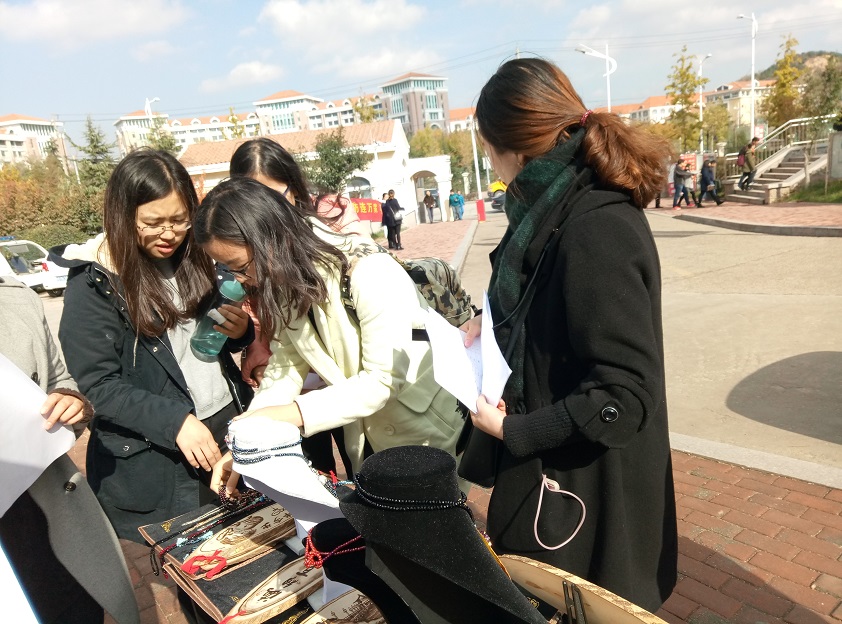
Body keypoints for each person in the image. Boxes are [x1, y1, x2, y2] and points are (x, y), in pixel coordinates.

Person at [464, 58, 677, 612]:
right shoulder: (550, 207)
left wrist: (513, 430)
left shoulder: (595, 226)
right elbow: (552, 300)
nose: (491, 163)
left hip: (589, 489)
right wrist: (493, 322)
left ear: (513, 149)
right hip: (558, 477)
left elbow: (624, 396)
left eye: (488, 149)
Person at [193, 177, 463, 491]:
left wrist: (288, 415)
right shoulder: (284, 278)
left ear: (269, 240)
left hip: (422, 431)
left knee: (437, 518)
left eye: (239, 266)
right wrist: (249, 438)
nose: (238, 280)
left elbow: (383, 381)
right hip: (368, 433)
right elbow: (286, 362)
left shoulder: (368, 270)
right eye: (227, 269)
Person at [51, 148, 254, 542]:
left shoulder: (197, 255)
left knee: (250, 543)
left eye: (179, 219)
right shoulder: (96, 280)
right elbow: (99, 385)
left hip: (224, 422)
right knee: (196, 558)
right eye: (153, 222)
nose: (169, 233)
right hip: (164, 447)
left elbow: (209, 339)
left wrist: (240, 331)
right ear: (123, 215)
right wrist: (175, 421)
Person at [0, 274, 140, 624]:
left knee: (76, 609)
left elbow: (59, 379)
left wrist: (71, 402)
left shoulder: (17, 299)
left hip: (45, 513)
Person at [228, 137, 361, 475]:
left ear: (295, 188)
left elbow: (380, 381)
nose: (264, 209)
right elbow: (283, 342)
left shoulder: (341, 243)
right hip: (294, 377)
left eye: (274, 196)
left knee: (363, 462)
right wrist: (258, 346)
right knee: (315, 474)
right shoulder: (252, 251)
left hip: (350, 382)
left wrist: (288, 411)